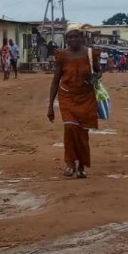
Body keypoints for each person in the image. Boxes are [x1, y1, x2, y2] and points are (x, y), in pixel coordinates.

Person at [47, 29, 101, 179]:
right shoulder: (62, 55)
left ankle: (82, 166)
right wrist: (50, 105)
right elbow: (55, 79)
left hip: (86, 97)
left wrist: (95, 77)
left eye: (75, 36)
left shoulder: (90, 54)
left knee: (82, 133)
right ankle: (70, 163)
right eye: (69, 37)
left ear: (82, 37)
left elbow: (99, 71)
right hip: (67, 96)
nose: (72, 40)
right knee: (70, 128)